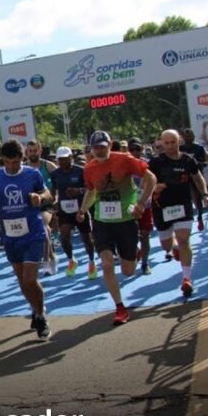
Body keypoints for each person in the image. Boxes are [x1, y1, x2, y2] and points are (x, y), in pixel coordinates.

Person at [79, 131, 156, 325]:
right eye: (95, 148)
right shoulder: (89, 168)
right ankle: (120, 307)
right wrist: (82, 210)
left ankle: (133, 253)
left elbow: (151, 178)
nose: (99, 151)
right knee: (107, 265)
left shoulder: (124, 160)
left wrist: (141, 203)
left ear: (110, 144)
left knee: (128, 271)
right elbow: (91, 192)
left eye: (102, 147)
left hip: (126, 221)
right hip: (102, 222)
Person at [0, 140, 52, 339]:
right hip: (10, 236)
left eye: (15, 162)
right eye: (7, 162)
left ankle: (41, 315)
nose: (11, 166)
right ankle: (35, 308)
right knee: (23, 282)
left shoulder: (32, 174)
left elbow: (47, 193)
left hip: (33, 233)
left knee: (30, 279)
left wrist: (40, 198)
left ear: (22, 158)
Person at [149, 129, 208, 297]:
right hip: (161, 207)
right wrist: (154, 187)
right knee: (166, 245)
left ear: (179, 142)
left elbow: (198, 178)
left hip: (183, 205)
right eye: (167, 143)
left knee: (184, 239)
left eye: (173, 142)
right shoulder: (155, 162)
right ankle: (174, 247)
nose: (170, 146)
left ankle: (186, 278)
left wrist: (205, 195)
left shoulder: (187, 160)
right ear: (162, 144)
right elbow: (144, 184)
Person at [52, 146, 97, 278]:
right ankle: (71, 260)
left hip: (80, 209)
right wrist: (54, 201)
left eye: (65, 159)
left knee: (87, 239)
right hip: (64, 210)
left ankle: (92, 261)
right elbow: (53, 191)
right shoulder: (55, 174)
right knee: (64, 236)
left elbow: (91, 189)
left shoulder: (81, 171)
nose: (62, 162)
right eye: (60, 159)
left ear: (71, 158)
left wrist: (79, 191)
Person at [25, 140, 59, 276]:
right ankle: (52, 256)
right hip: (31, 207)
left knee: (43, 228)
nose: (33, 153)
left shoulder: (49, 166)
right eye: (30, 151)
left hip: (47, 205)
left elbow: (59, 182)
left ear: (40, 151)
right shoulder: (23, 169)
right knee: (44, 233)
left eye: (35, 151)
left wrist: (57, 199)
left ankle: (46, 262)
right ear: (27, 153)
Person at [127, 140, 155, 275]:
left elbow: (154, 180)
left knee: (145, 235)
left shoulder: (148, 164)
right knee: (131, 236)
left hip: (145, 205)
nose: (135, 152)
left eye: (137, 149)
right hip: (129, 205)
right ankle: (136, 251)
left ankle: (145, 263)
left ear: (142, 150)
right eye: (132, 150)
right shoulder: (124, 164)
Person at [179, 128, 208, 232]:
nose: (188, 138)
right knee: (186, 197)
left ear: (193, 137)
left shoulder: (199, 148)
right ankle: (187, 217)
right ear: (183, 137)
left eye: (190, 136)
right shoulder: (180, 148)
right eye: (186, 136)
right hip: (183, 176)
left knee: (197, 197)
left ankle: (200, 217)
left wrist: (201, 163)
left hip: (196, 174)